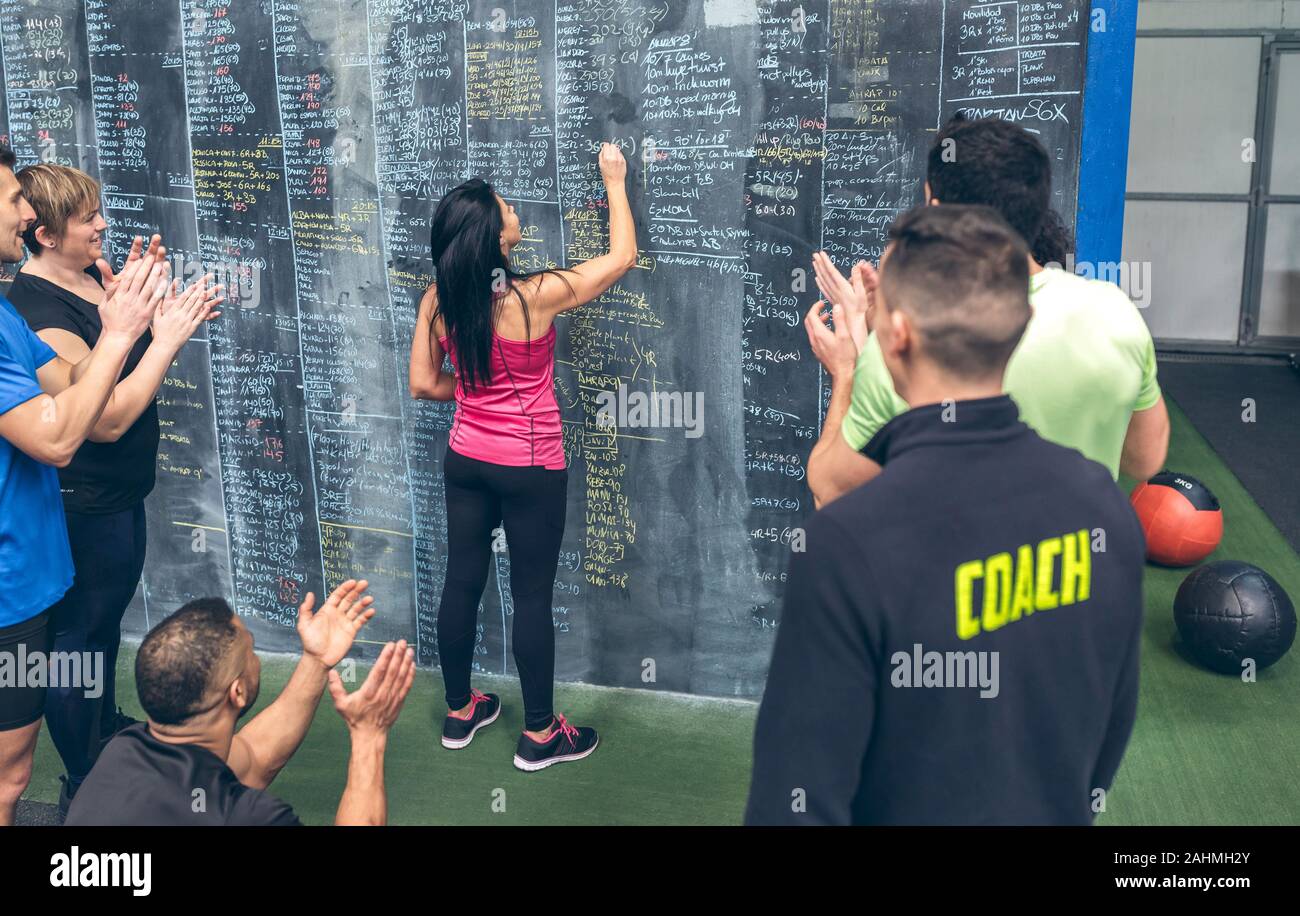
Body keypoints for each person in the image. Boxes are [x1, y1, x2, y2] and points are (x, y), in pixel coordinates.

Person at [746, 205, 1147, 825]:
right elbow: (1110, 728)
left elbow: (794, 800)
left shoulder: (846, 543)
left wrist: (856, 362)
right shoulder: (1103, 510)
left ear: (897, 336)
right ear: (1015, 326)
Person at [805, 115, 1169, 508]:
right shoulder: (1115, 313)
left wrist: (848, 367)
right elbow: (1144, 459)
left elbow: (831, 492)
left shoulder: (918, 347)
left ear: (937, 212)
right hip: (1077, 564)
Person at [410, 143, 637, 770]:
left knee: (462, 578)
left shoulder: (439, 298)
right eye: (508, 209)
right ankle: (540, 734)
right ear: (496, 238)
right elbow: (621, 259)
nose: (515, 212)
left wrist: (480, 391)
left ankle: (461, 711)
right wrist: (614, 181)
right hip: (530, 465)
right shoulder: (531, 296)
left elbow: (425, 385)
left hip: (466, 460)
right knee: (532, 595)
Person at [8, 162, 222, 815]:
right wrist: (149, 334)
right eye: (86, 217)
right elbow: (99, 420)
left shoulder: (44, 304)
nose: (102, 224)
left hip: (102, 506)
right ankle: (85, 773)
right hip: (76, 512)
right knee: (77, 647)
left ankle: (99, 735)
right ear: (44, 233)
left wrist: (129, 316)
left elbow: (92, 378)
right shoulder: (32, 312)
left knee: (95, 635)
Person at [65, 580, 414, 826]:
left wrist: (316, 660)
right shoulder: (246, 816)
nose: (255, 654)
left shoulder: (122, 753)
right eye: (251, 649)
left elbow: (254, 761)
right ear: (237, 693)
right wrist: (369, 736)